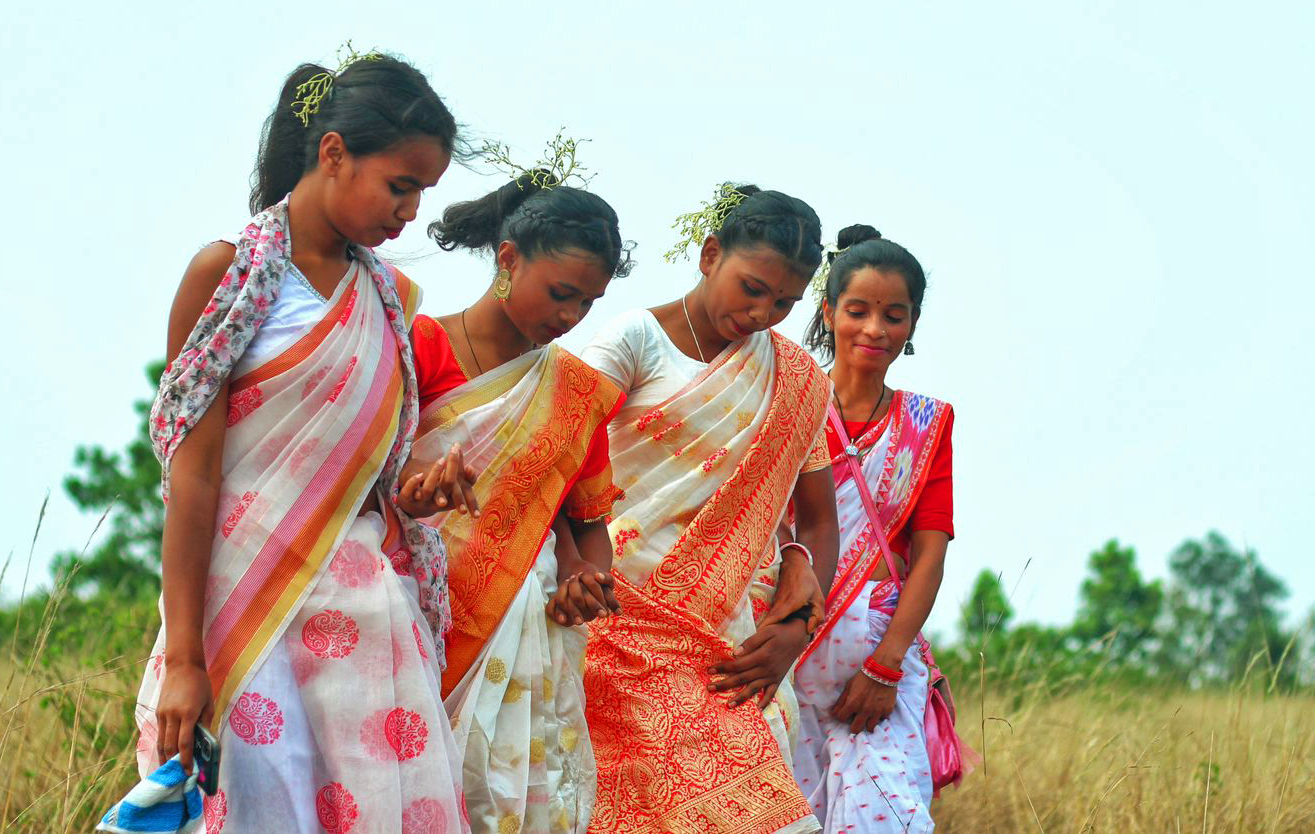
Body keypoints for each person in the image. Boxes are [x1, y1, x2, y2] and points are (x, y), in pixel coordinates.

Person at [137, 51, 472, 832]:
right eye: (401, 185)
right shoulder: (231, 273)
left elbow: (370, 473)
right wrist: (185, 658)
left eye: (422, 191)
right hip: (243, 604)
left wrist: (422, 486)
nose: (412, 212)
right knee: (262, 803)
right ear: (332, 154)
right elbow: (195, 477)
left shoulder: (388, 299)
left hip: (364, 615)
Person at [579, 184, 840, 833]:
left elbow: (819, 520)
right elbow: (563, 453)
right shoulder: (633, 341)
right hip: (606, 623)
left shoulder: (797, 380)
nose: (763, 312)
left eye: (783, 301)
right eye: (751, 287)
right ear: (709, 254)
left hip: (728, 645)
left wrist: (794, 626)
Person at [407, 173, 632, 832]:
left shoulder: (578, 395)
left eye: (587, 304)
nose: (568, 318)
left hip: (512, 640)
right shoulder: (418, 348)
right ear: (508, 259)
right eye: (560, 294)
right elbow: (358, 482)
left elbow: (588, 527)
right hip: (406, 619)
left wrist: (589, 578)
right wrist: (411, 492)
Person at [792, 225, 954, 833]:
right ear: (829, 311)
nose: (875, 330)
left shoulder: (927, 423)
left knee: (888, 818)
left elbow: (931, 551)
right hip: (783, 659)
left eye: (895, 314)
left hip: (878, 672)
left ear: (913, 323)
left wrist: (886, 667)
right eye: (857, 311)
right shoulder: (786, 404)